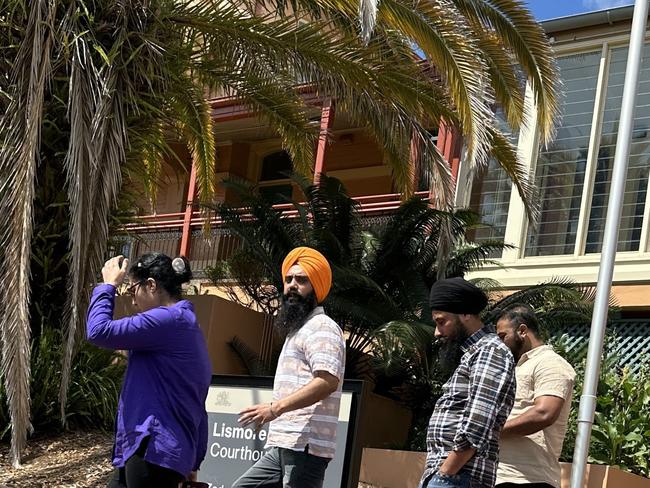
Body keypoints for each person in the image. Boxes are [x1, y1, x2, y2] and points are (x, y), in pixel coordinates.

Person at [87, 253, 212, 488]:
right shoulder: (186, 325)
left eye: (132, 290)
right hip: (152, 450)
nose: (132, 301)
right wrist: (193, 459)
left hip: (153, 448)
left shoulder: (168, 319)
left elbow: (98, 331)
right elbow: (198, 402)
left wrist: (108, 285)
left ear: (151, 285)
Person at [232, 247, 346, 488]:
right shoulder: (298, 329)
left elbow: (327, 380)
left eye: (302, 280)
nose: (292, 285)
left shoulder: (322, 327)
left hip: (305, 445)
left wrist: (275, 409)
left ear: (317, 287)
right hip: (285, 443)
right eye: (288, 279)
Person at [421, 277, 516, 488]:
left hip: (459, 477)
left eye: (441, 321)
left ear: (465, 314)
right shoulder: (474, 353)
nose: (437, 332)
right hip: (453, 476)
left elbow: (477, 423)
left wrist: (444, 474)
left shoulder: (490, 351)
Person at [495, 304, 576, 488]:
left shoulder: (551, 363)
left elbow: (544, 413)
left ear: (522, 331)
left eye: (503, 336)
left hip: (528, 479)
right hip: (499, 475)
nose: (500, 344)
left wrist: (490, 430)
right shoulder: (516, 367)